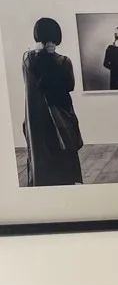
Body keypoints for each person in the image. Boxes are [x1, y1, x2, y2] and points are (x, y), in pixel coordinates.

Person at [22, 17, 84, 187]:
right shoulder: (63, 61)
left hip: (35, 117)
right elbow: (69, 86)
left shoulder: (26, 59)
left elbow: (31, 85)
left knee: (40, 157)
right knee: (62, 156)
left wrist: (40, 53)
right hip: (58, 116)